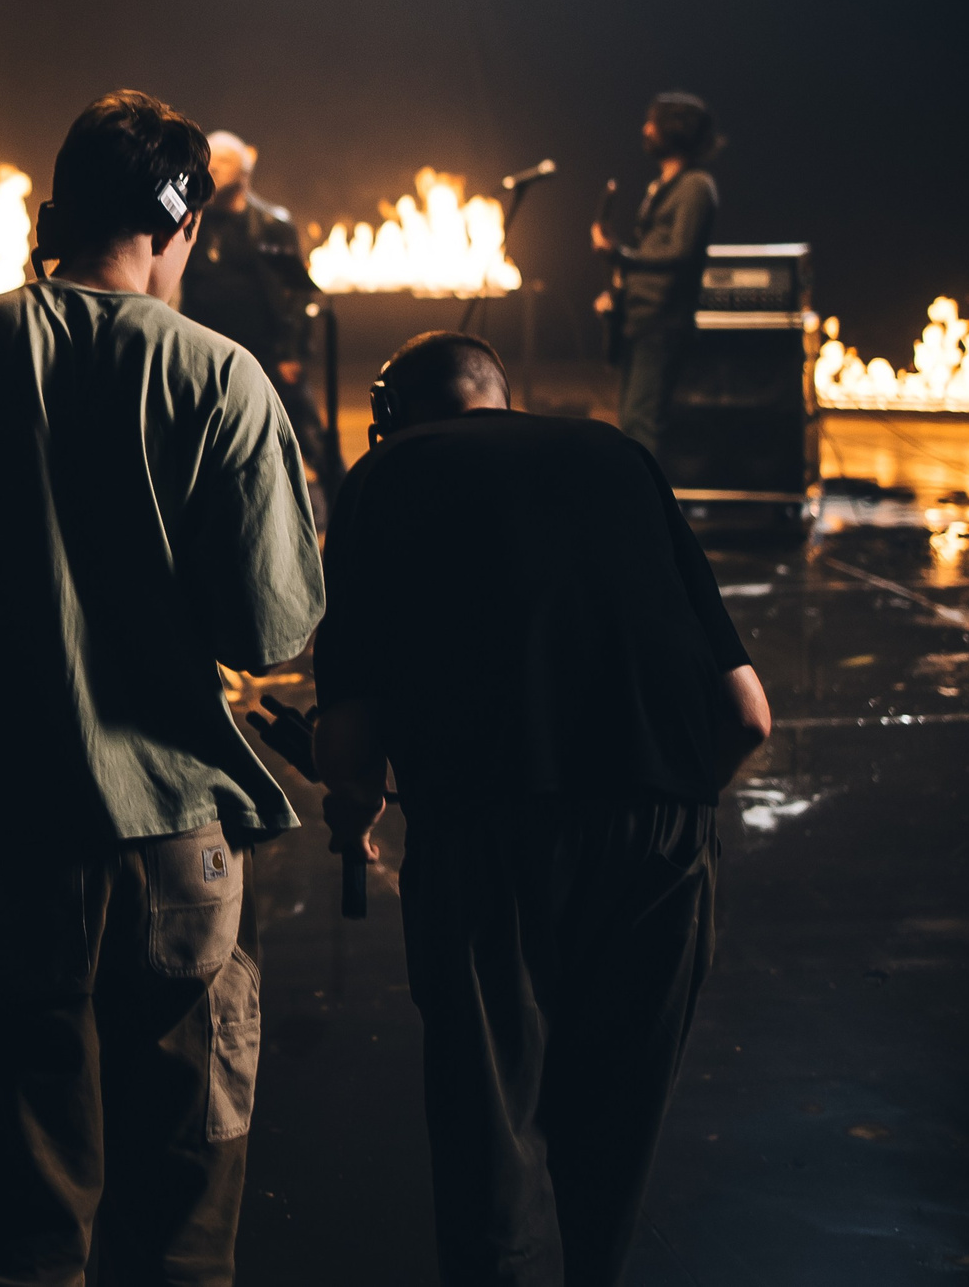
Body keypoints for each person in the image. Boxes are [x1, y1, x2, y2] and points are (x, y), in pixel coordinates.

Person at [0, 91, 325, 1287]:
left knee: (21, 1206)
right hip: (180, 852)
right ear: (182, 223)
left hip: (0, 837)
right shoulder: (223, 379)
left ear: (53, 209)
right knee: (183, 1217)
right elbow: (268, 631)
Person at [310, 331, 772, 1287]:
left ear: (389, 418)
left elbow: (350, 746)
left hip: (488, 834)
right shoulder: (620, 455)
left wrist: (354, 816)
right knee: (615, 1126)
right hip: (665, 829)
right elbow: (748, 716)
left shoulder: (381, 477)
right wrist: (668, 821)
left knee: (489, 1137)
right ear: (501, 395)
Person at [179, 129, 347, 508]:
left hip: (266, 350)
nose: (211, 170)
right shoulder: (194, 219)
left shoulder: (271, 224)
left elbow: (296, 291)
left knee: (306, 430)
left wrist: (292, 351)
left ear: (243, 172)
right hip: (207, 347)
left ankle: (348, 503)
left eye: (221, 163)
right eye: (208, 162)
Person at [591, 93, 723, 458]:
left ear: (675, 130)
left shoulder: (696, 186)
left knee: (642, 423)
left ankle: (648, 510)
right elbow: (651, 250)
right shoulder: (660, 187)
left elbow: (681, 252)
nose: (645, 129)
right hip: (639, 317)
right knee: (631, 421)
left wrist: (622, 255)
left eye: (653, 122)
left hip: (662, 322)